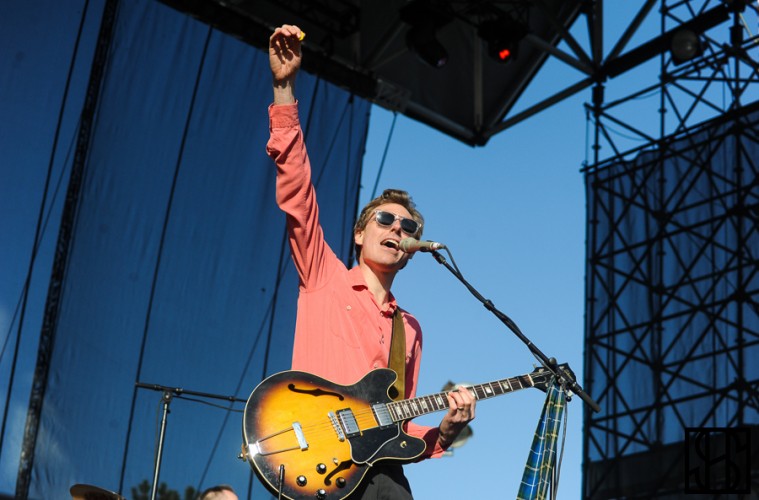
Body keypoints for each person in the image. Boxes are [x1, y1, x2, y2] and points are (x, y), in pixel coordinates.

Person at [266, 24, 476, 498]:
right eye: (385, 219)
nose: (397, 229)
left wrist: (448, 431)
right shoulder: (324, 276)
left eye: (408, 227)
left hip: (381, 477)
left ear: (412, 251)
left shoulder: (410, 329)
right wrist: (284, 90)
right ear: (360, 234)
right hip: (316, 466)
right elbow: (298, 195)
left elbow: (399, 429)